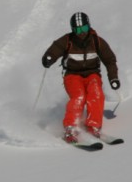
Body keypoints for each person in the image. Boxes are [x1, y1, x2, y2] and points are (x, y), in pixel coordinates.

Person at [41, 12, 120, 143]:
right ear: (72, 29)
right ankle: (70, 128)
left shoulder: (96, 41)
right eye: (77, 29)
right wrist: (49, 57)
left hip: (92, 74)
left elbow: (110, 60)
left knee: (96, 94)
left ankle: (93, 125)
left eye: (84, 28)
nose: (81, 32)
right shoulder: (67, 40)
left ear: (89, 26)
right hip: (72, 75)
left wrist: (113, 78)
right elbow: (55, 49)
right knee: (79, 96)